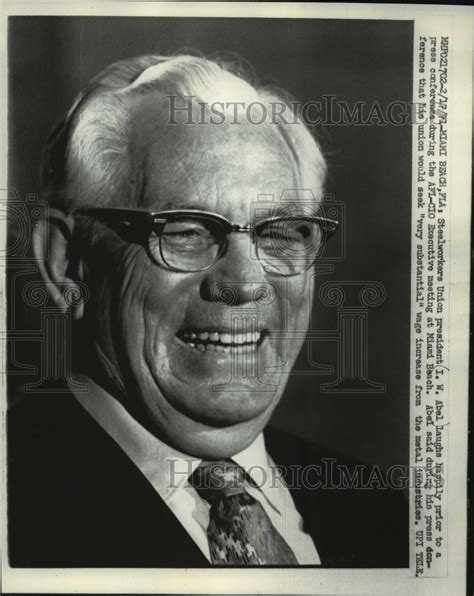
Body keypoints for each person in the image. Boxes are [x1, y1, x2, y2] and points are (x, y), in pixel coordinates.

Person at [7, 54, 407, 567]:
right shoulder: (16, 514)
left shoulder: (377, 513)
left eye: (279, 232)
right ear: (66, 264)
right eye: (187, 230)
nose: (243, 283)